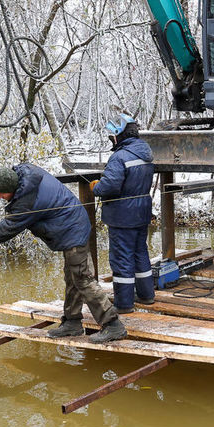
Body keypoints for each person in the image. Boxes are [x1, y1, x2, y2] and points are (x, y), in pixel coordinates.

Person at [0, 164, 126, 343]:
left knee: (82, 278)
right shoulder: (26, 172)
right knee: (72, 277)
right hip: (72, 224)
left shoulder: (26, 204)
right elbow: (10, 176)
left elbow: (4, 230)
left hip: (72, 230)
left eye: (2, 193)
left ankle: (113, 326)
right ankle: (72, 323)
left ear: (13, 189)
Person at [91, 114, 156, 314]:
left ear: (119, 135)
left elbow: (109, 186)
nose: (111, 139)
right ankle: (146, 296)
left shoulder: (119, 156)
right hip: (141, 213)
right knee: (140, 253)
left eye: (112, 136)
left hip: (122, 217)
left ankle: (124, 304)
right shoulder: (145, 152)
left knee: (122, 259)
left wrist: (96, 187)